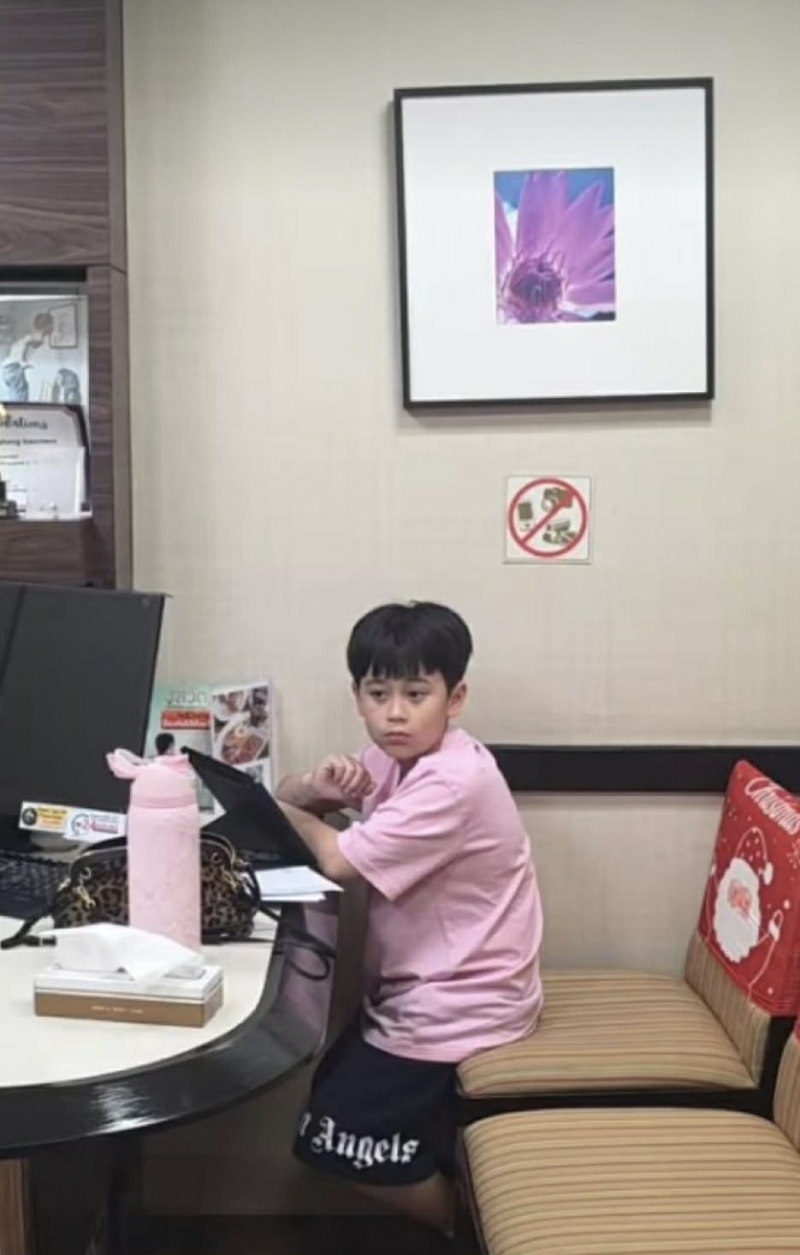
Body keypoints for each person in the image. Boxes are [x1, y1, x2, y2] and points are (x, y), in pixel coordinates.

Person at [276, 601, 544, 1238]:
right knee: (330, 1095)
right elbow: (291, 797)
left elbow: (338, 860)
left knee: (331, 1138)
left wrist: (288, 813)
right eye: (379, 694)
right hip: (422, 991)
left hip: (463, 1003)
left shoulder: (452, 780)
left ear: (455, 699)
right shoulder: (392, 759)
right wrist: (313, 787)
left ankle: (468, 1228)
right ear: (358, 697)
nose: (395, 712)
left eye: (416, 694)